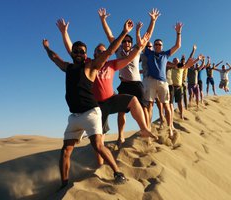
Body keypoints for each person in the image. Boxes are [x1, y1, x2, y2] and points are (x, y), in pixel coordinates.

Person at [42, 19, 134, 188]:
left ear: (85, 54)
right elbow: (54, 58)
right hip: (74, 116)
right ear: (73, 52)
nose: (78, 53)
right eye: (75, 51)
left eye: (81, 51)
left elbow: (110, 50)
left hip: (91, 112)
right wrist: (47, 47)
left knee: (98, 145)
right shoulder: (68, 67)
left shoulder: (92, 66)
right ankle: (64, 185)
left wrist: (124, 33)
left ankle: (117, 172)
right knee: (65, 151)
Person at [56, 19, 157, 166]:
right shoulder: (88, 64)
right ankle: (100, 166)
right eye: (98, 51)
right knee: (99, 140)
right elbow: (72, 50)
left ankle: (144, 129)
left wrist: (139, 46)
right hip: (96, 107)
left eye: (103, 51)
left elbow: (129, 58)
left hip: (111, 99)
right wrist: (64, 33)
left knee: (133, 100)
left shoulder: (111, 64)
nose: (101, 53)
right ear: (94, 54)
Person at [98, 8, 160, 147]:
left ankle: (146, 131)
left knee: (144, 109)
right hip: (124, 84)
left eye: (128, 42)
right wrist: (103, 20)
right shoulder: (118, 50)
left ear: (131, 44)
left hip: (137, 84)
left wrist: (153, 20)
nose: (126, 43)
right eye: (124, 41)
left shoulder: (135, 51)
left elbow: (147, 36)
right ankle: (121, 136)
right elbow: (109, 35)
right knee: (121, 112)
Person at [144, 22, 183, 139]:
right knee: (150, 105)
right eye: (156, 44)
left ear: (162, 46)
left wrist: (178, 32)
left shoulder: (165, 55)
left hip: (163, 82)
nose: (157, 46)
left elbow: (178, 46)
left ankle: (170, 127)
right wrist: (152, 21)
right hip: (150, 81)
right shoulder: (148, 53)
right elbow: (146, 37)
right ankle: (148, 128)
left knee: (166, 105)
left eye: (159, 44)